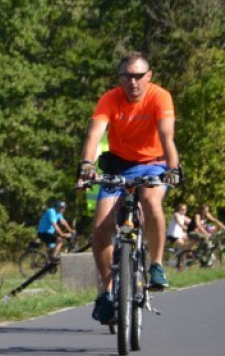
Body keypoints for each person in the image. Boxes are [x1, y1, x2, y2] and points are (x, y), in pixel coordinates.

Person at [76, 52, 181, 325]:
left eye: (138, 76)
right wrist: (87, 164)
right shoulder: (110, 98)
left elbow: (166, 136)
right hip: (118, 167)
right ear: (120, 78)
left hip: (154, 164)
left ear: (149, 76)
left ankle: (156, 265)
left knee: (150, 200)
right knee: (100, 231)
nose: (132, 82)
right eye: (127, 76)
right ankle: (107, 292)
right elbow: (94, 134)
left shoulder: (160, 97)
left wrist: (172, 168)